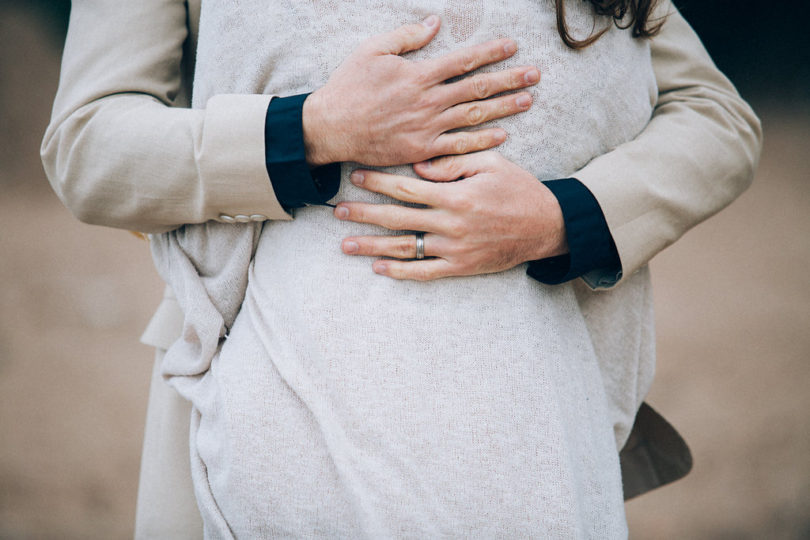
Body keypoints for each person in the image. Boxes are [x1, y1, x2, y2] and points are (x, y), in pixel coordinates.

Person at [42, 0, 761, 537]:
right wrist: (310, 130)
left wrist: (561, 217)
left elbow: (715, 115)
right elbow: (86, 144)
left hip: (533, 437)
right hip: (271, 418)